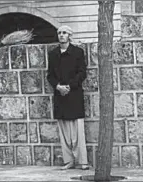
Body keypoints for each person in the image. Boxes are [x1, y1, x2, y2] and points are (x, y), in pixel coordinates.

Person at [47, 25, 89, 170]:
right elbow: (50, 75)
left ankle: (82, 161)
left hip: (74, 94)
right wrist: (58, 87)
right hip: (60, 95)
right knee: (64, 129)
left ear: (69, 35)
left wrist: (69, 86)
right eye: (59, 33)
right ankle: (69, 160)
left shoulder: (78, 52)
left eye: (64, 33)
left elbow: (82, 73)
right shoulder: (53, 54)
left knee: (78, 129)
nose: (61, 35)